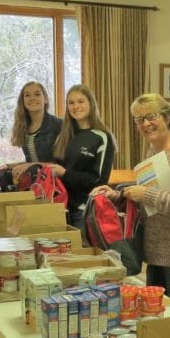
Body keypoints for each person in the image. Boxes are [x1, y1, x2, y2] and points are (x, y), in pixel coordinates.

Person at [91, 93, 170, 309]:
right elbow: (150, 203)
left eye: (151, 117)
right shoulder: (152, 152)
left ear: (167, 117)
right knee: (154, 314)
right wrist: (119, 195)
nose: (145, 124)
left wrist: (145, 194)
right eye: (139, 120)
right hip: (155, 252)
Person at [51, 84, 115, 231]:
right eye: (71, 103)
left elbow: (99, 181)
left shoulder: (102, 137)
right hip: (61, 209)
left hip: (84, 211)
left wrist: (65, 173)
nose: (76, 106)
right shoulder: (63, 136)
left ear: (91, 103)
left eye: (80, 101)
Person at [0, 81, 62, 181]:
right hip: (38, 184)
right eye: (27, 95)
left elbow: (62, 166)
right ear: (23, 101)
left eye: (37, 94)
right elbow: (33, 161)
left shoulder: (59, 125)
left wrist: (29, 165)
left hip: (58, 185)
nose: (32, 98)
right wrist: (9, 166)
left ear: (45, 99)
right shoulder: (23, 127)